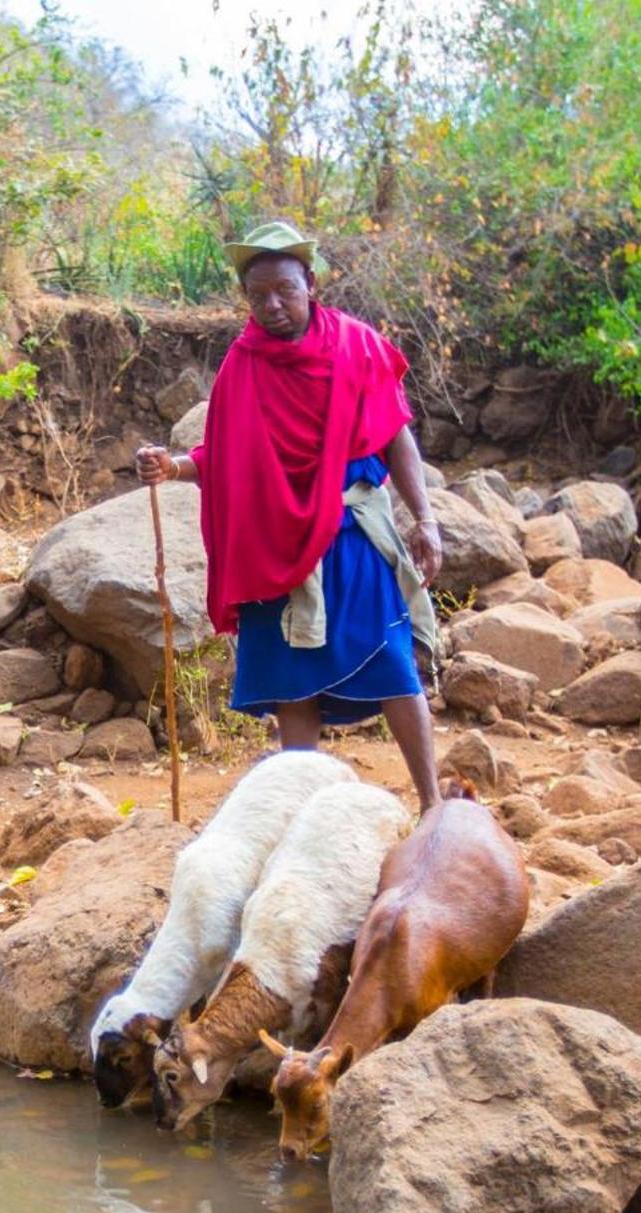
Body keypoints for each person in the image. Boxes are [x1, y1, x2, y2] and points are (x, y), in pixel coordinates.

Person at [135, 221, 445, 808]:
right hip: (272, 543)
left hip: (352, 535)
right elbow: (224, 457)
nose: (272, 305)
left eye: (285, 290)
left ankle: (431, 802)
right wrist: (171, 467)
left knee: (393, 663)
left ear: (311, 283)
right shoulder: (242, 366)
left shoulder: (358, 346)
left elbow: (395, 437)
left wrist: (424, 518)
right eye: (258, 296)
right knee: (291, 680)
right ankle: (303, 812)